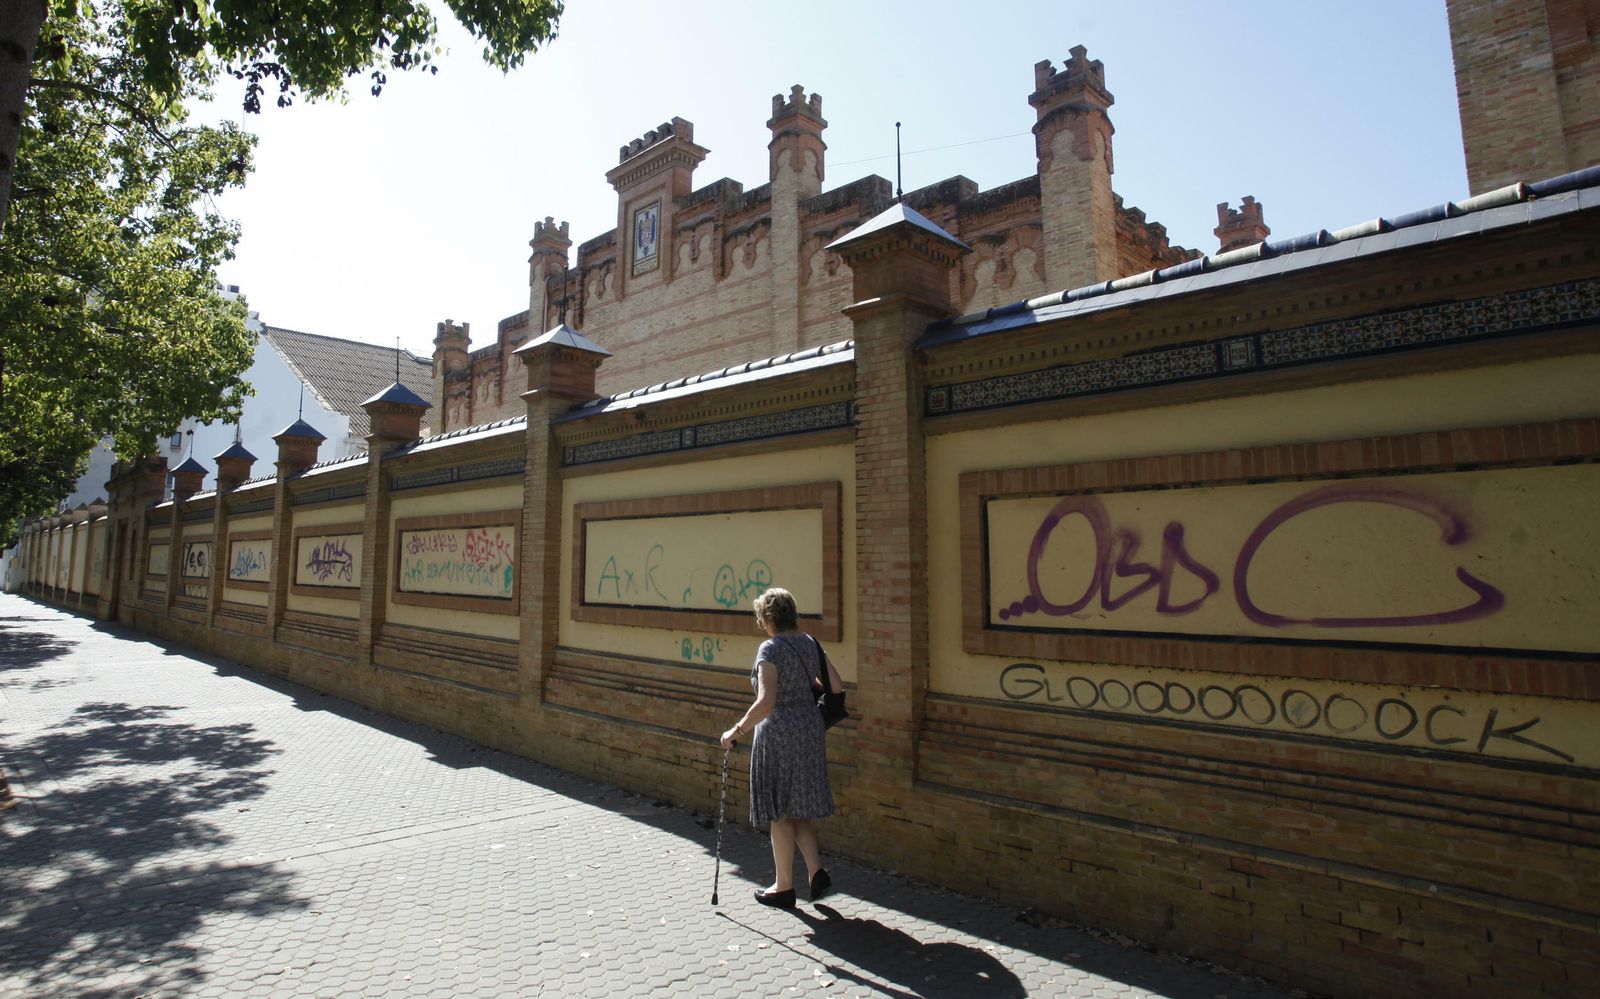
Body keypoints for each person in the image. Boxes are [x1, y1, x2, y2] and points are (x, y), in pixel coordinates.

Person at [721, 587, 843, 909]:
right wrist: (804, 685)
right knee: (797, 807)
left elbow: (766, 701)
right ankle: (816, 872)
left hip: (780, 735)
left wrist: (735, 731)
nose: (761, 623)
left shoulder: (770, 649)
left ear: (769, 617)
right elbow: (836, 686)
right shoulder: (810, 643)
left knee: (779, 811)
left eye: (761, 617)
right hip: (810, 732)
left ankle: (784, 886)